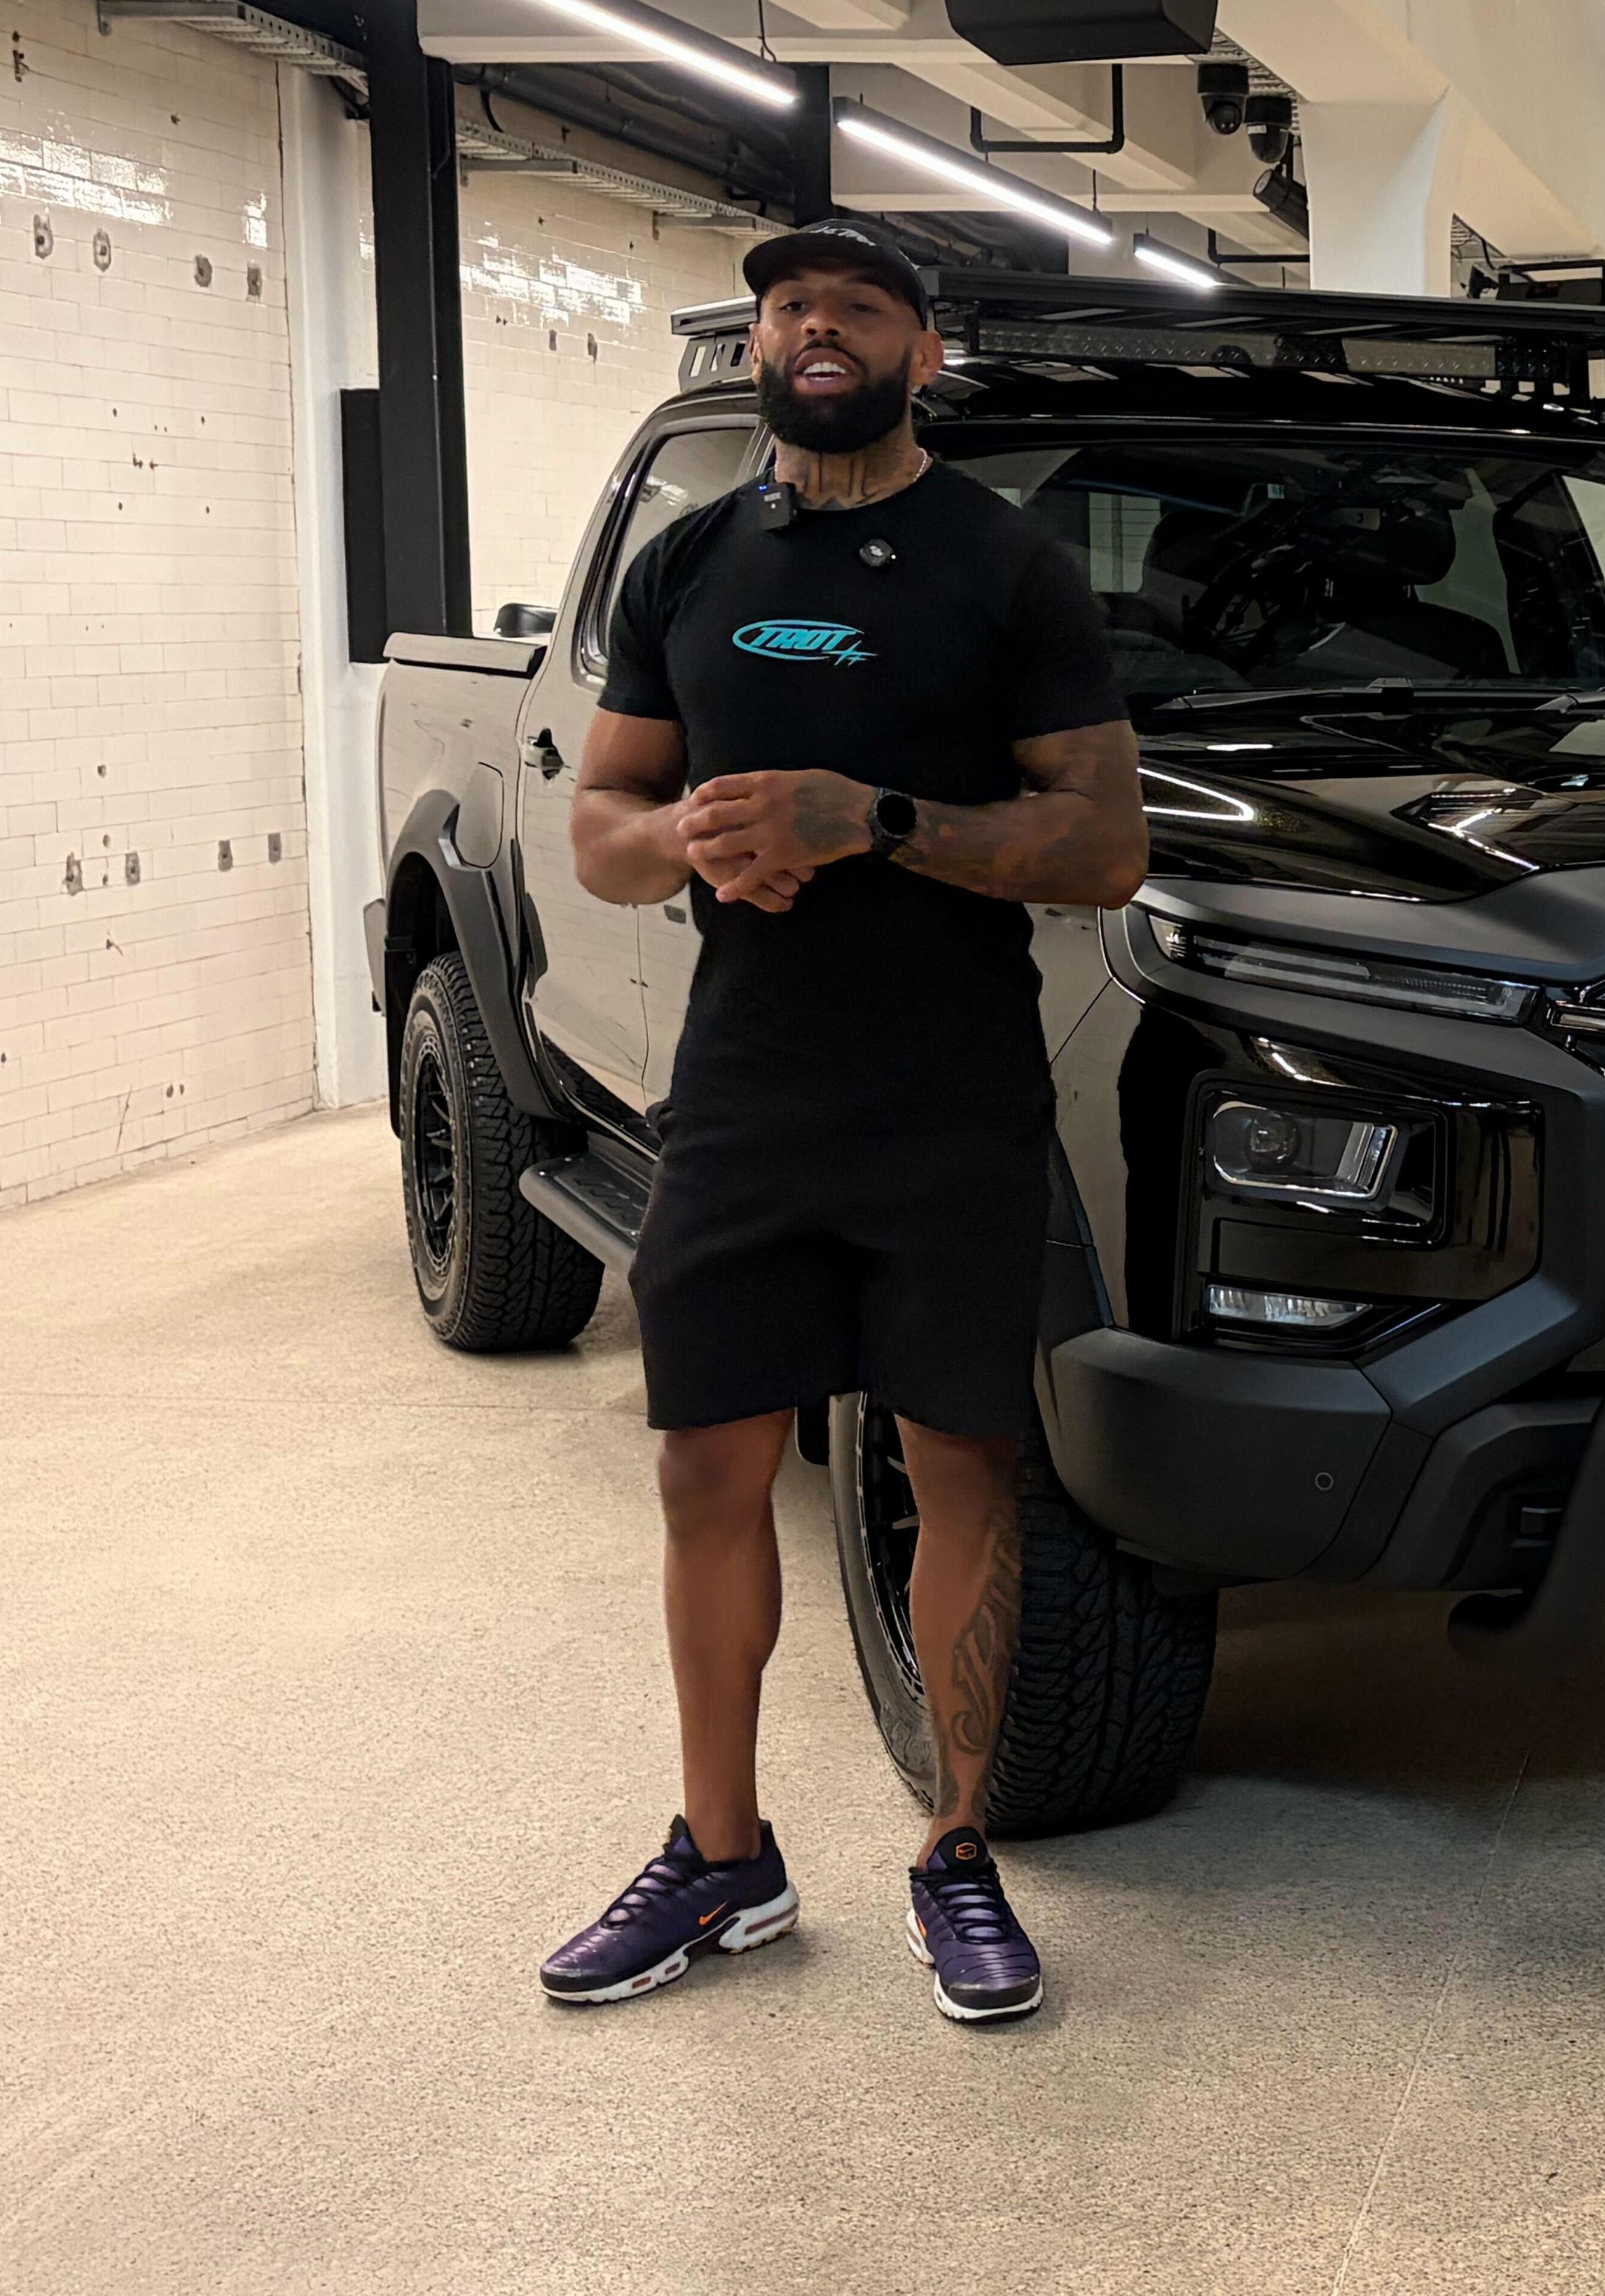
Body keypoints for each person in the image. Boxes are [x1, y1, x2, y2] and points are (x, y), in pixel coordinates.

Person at [532, 216, 1147, 2025]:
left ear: (921, 353)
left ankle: (957, 1853)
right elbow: (604, 824)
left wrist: (869, 821)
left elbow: (1106, 844)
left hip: (950, 1093)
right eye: (789, 304)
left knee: (959, 1468)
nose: (818, 326)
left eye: (860, 307)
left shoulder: (1005, 566)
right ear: (756, 344)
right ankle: (723, 1859)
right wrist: (693, 840)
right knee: (704, 1467)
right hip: (745, 1089)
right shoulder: (692, 560)